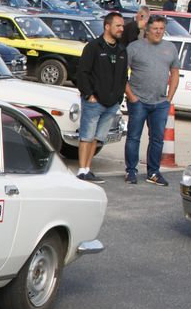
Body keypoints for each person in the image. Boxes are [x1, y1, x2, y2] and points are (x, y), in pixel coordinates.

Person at [124, 15, 179, 186]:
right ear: (147, 29)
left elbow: (175, 73)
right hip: (138, 100)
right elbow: (121, 73)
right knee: (134, 137)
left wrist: (169, 98)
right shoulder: (134, 47)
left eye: (162, 29)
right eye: (155, 28)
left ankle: (153, 172)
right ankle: (131, 171)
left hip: (160, 103)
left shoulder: (170, 48)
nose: (158, 32)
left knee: (157, 139)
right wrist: (132, 97)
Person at [75, 12, 128, 184]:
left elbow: (123, 77)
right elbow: (82, 73)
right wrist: (89, 94)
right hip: (94, 102)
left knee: (98, 138)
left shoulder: (121, 50)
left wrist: (119, 98)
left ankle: (88, 169)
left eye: (122, 26)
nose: (121, 29)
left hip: (112, 103)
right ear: (107, 26)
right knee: (86, 136)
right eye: (118, 25)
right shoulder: (93, 47)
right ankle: (81, 170)